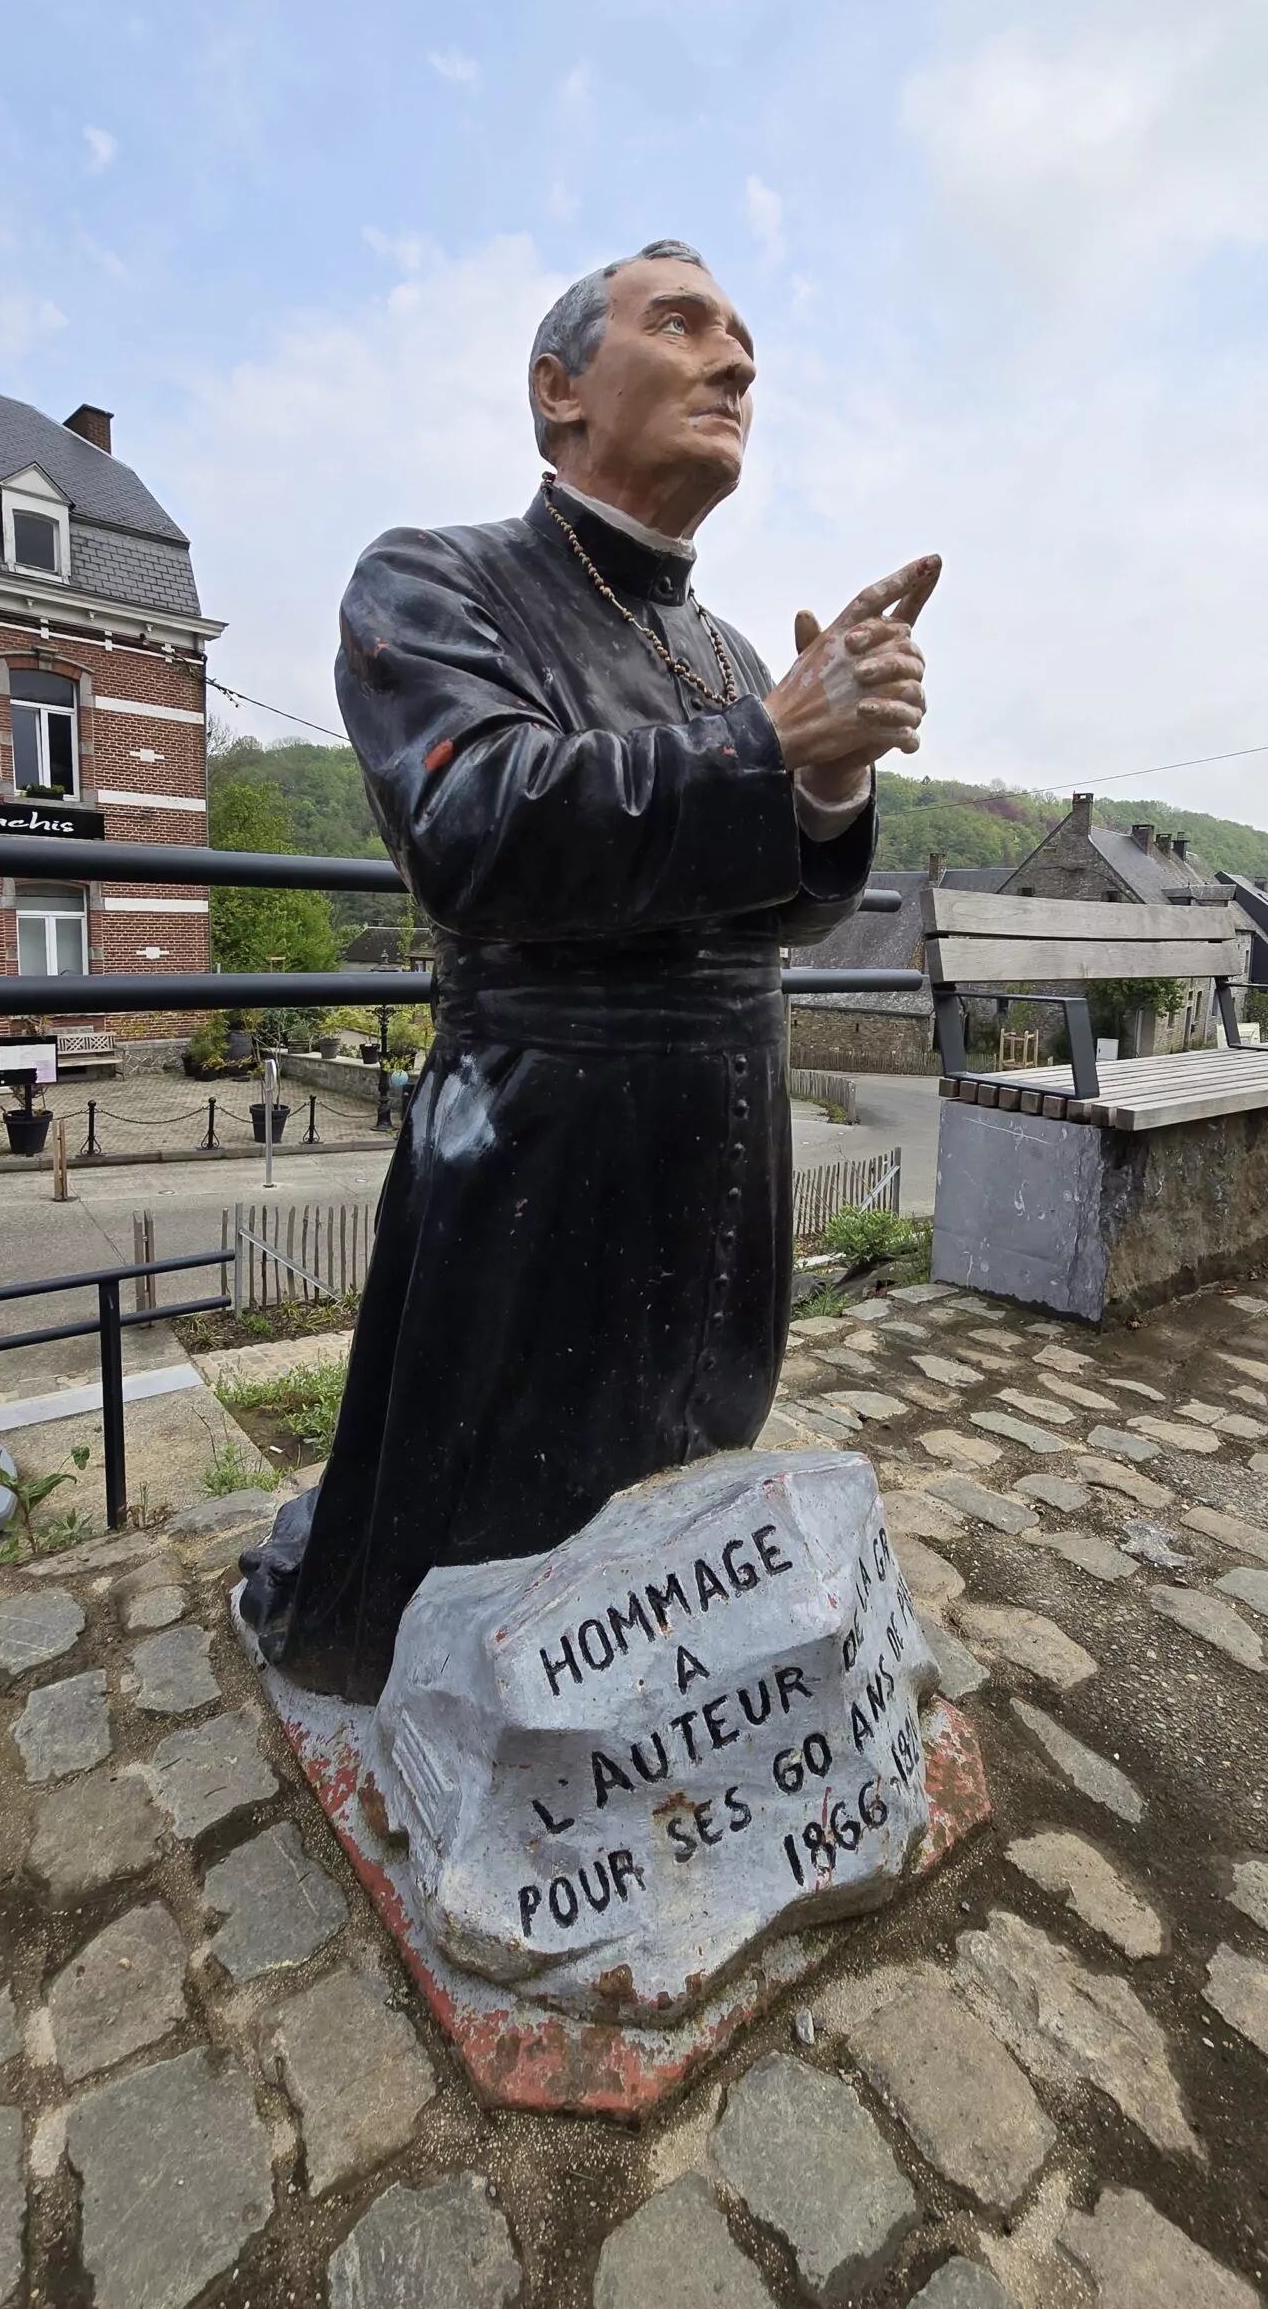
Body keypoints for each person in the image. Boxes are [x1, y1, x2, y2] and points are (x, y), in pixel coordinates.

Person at [241, 239, 936, 1701]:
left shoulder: (737, 647)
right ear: (558, 390)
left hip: (723, 1137)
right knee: (483, 1532)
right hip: (538, 1141)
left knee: (687, 1472)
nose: (735, 363)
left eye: (744, 338)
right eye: (682, 325)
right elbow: (474, 829)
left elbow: (786, 923)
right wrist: (769, 746)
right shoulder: (435, 579)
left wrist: (825, 786)